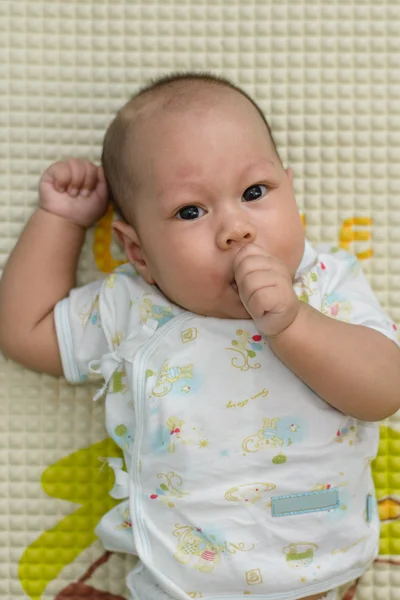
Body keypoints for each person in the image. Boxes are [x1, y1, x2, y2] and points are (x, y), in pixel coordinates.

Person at [0, 73, 399, 600]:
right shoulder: (133, 307)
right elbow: (24, 332)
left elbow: (384, 390)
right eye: (191, 211)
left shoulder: (324, 284)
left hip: (315, 557)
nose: (236, 227)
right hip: (179, 574)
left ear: (292, 191)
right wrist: (62, 221)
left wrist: (295, 323)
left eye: (255, 192)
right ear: (139, 253)